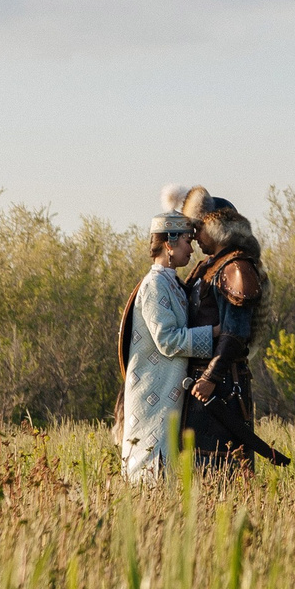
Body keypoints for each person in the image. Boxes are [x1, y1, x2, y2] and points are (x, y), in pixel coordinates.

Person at [178, 186, 292, 470]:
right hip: (201, 383)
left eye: (199, 229)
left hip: (223, 385)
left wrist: (211, 376)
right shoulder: (207, 267)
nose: (195, 237)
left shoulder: (236, 269)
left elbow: (234, 333)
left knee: (224, 465)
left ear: (217, 229)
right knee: (197, 464)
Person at [114, 187, 216, 483]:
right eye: (186, 241)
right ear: (169, 243)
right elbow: (168, 341)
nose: (191, 249)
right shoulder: (154, 285)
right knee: (150, 474)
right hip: (153, 398)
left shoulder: (171, 283)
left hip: (167, 397)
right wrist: (216, 333)